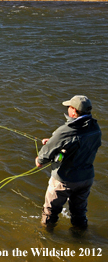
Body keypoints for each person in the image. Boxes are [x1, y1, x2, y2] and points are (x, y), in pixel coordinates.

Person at [35, 95, 101, 229]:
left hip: (64, 180)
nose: (68, 109)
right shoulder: (95, 128)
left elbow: (43, 158)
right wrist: (57, 143)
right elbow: (79, 143)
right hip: (86, 178)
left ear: (74, 111)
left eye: (70, 107)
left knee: (50, 212)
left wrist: (39, 160)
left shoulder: (65, 131)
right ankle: (81, 237)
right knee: (79, 213)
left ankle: (46, 238)